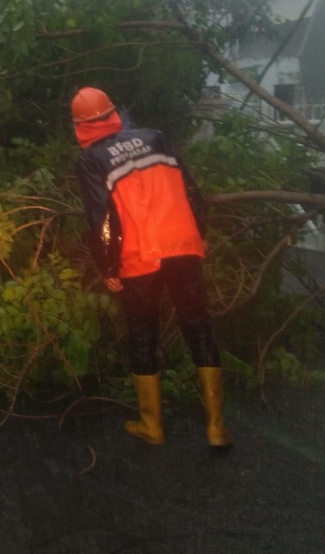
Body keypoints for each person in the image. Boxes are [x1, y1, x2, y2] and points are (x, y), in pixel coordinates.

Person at [71, 86, 232, 449]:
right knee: (200, 330)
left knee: (144, 335)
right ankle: (217, 428)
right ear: (113, 113)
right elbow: (192, 193)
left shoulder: (91, 159)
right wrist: (196, 234)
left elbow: (103, 221)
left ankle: (152, 426)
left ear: (79, 127)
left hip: (139, 258)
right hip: (183, 247)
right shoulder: (156, 138)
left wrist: (108, 268)